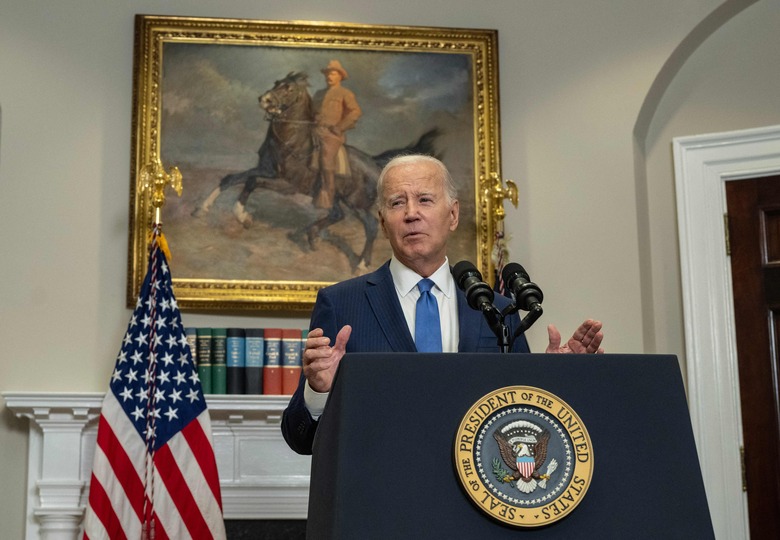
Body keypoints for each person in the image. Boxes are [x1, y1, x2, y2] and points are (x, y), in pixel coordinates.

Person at [281, 154, 604, 455]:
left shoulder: (498, 309)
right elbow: (300, 439)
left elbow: (523, 422)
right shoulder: (341, 304)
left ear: (452, 215)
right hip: (381, 490)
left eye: (424, 200)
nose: (411, 214)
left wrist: (555, 378)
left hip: (477, 492)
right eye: (397, 203)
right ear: (382, 222)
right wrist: (318, 391)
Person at [312, 59, 362, 209]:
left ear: (340, 76)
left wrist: (340, 127)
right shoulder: (318, 94)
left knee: (326, 157)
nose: (329, 76)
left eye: (333, 74)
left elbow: (355, 112)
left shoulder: (345, 93)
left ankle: (328, 194)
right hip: (315, 130)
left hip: (332, 134)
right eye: (327, 74)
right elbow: (311, 112)